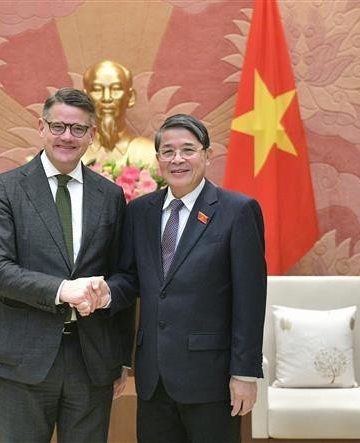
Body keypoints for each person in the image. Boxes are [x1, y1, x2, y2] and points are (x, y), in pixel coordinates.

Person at [0, 88, 135, 443]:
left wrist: (120, 358)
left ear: (92, 136)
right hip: (24, 359)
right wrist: (63, 290)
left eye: (78, 129)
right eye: (58, 126)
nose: (67, 136)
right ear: (41, 127)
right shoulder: (6, 189)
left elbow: (123, 276)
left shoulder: (109, 196)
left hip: (92, 361)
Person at [106, 114, 267, 443]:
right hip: (153, 379)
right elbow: (129, 284)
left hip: (211, 378)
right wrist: (121, 357)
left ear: (208, 155)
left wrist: (245, 372)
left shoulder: (237, 211)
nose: (177, 159)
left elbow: (250, 298)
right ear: (158, 160)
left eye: (188, 150)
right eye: (168, 151)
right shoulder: (139, 212)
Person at [82, 60, 157, 166]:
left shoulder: (150, 153)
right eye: (97, 90)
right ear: (85, 98)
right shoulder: (74, 156)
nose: (106, 98)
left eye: (116, 89)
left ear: (130, 97)